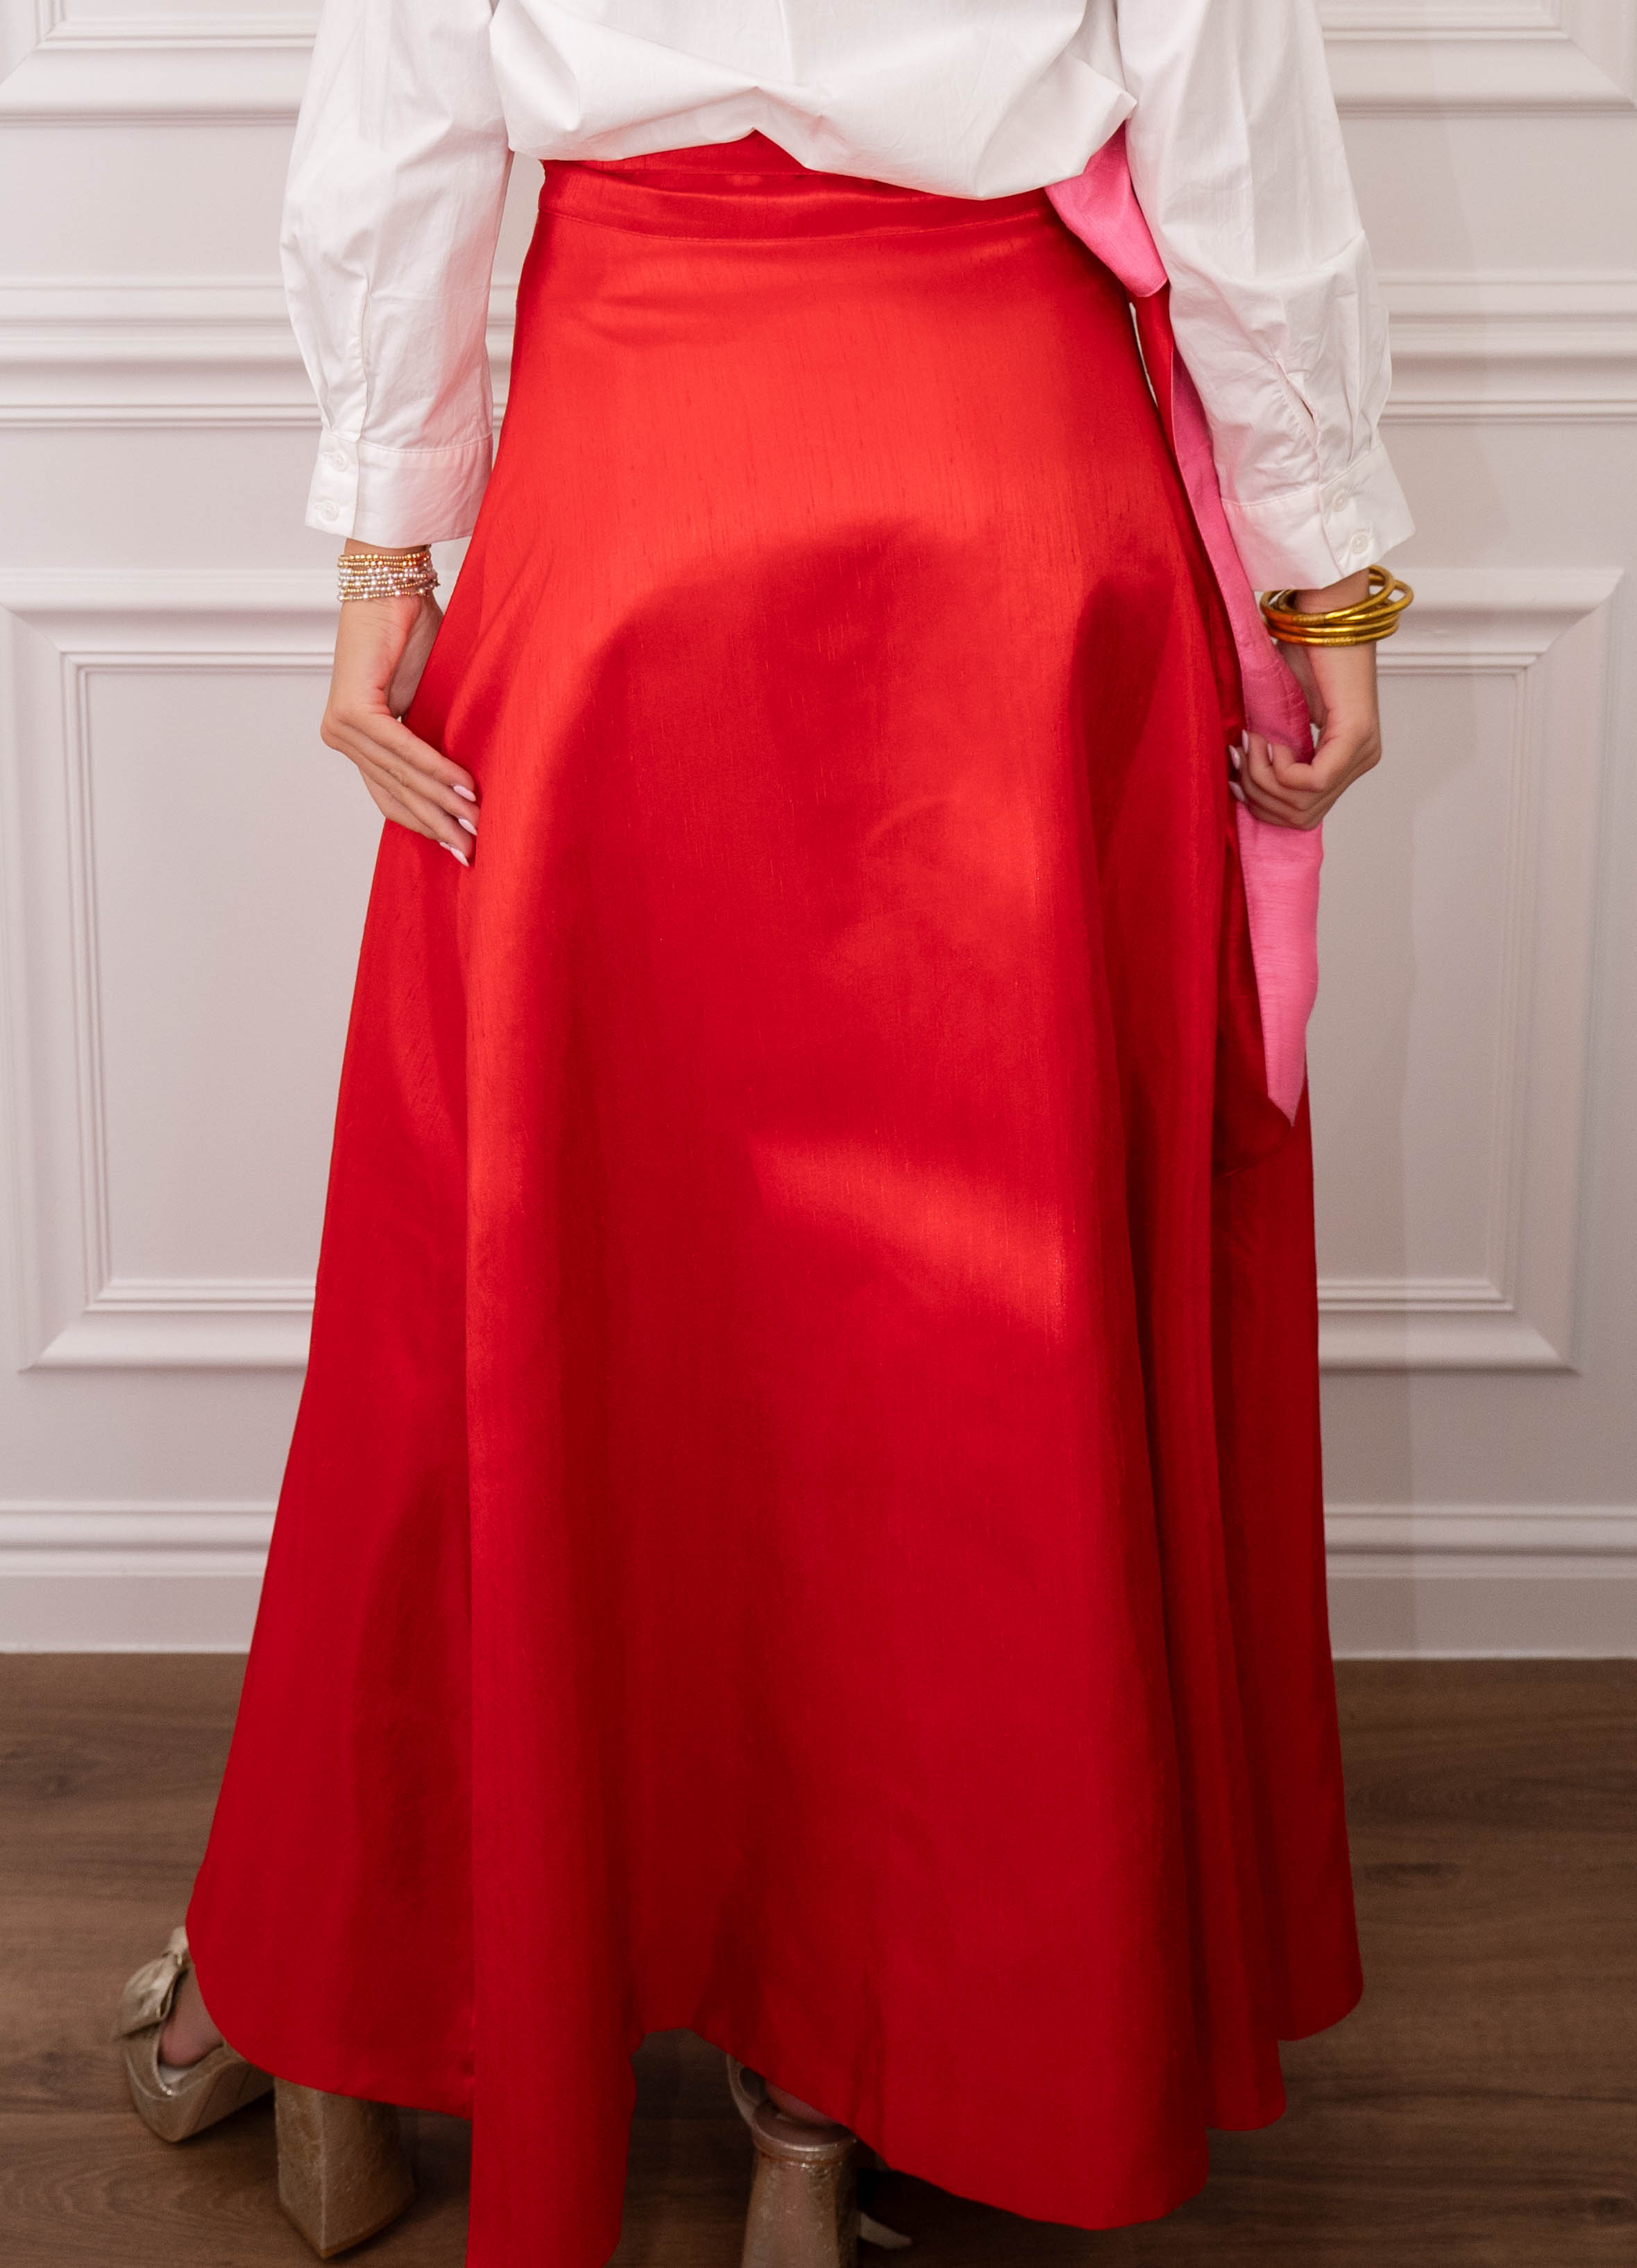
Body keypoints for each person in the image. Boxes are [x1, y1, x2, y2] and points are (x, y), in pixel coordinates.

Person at [113, 4, 1414, 2264]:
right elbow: (1239, 154)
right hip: (1008, 520)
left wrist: (381, 568)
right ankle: (829, 2098)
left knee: (492, 1264)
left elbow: (402, 139)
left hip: (638, 498)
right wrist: (1329, 578)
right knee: (954, 1318)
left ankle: (342, 2015)